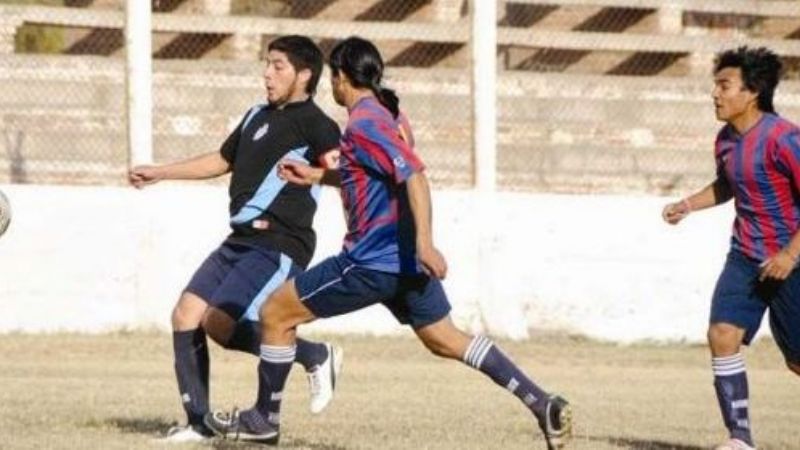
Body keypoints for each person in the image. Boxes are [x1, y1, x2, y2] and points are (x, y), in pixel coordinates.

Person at [204, 36, 572, 449]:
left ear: (343, 78)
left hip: (371, 261)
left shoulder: (364, 124)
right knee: (444, 339)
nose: (332, 87)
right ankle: (542, 402)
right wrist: (317, 175)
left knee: (275, 313)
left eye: (335, 79)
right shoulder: (389, 116)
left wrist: (427, 244)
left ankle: (263, 420)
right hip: (403, 263)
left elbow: (413, 175)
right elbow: (369, 172)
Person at [128, 35, 344, 443]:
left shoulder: (318, 125)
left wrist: (360, 229)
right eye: (267, 63)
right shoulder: (255, 116)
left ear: (304, 75)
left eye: (278, 66)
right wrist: (161, 171)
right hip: (239, 240)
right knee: (188, 316)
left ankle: (316, 356)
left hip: (280, 242)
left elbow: (348, 178)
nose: (267, 73)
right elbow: (222, 160)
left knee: (221, 321)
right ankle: (197, 423)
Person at [662, 46, 800, 450]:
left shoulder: (785, 139)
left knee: (796, 361)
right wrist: (687, 204)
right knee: (722, 334)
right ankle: (739, 438)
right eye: (715, 85)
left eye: (724, 85)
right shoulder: (725, 140)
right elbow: (728, 184)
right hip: (745, 257)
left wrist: (790, 256)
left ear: (752, 92)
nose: (715, 94)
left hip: (792, 260)